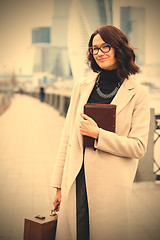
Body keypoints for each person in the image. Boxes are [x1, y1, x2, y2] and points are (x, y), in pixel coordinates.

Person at [51, 25, 150, 240]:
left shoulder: (138, 93)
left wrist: (99, 135)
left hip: (110, 185)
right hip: (76, 180)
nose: (99, 53)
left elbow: (139, 147)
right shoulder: (82, 86)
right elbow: (67, 137)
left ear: (119, 49)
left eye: (106, 46)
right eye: (95, 49)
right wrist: (58, 184)